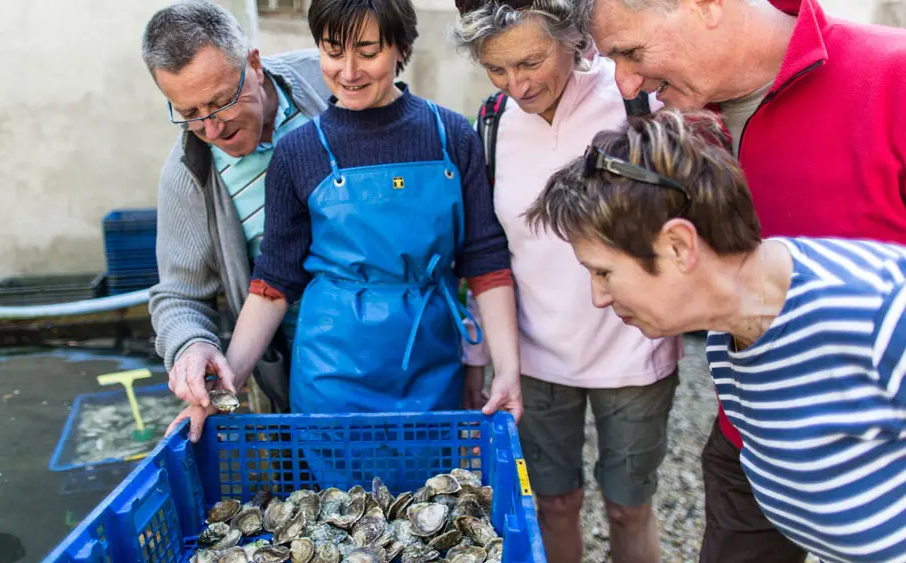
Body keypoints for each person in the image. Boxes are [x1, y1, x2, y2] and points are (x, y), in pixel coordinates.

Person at [573, 0, 906, 560]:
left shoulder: (893, 80)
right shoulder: (676, 121)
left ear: (705, 6)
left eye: (631, 53)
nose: (627, 83)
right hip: (747, 429)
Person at [167, 0, 524, 452]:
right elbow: (273, 282)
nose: (349, 71)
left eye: (368, 51)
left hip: (432, 359)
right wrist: (225, 382)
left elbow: (486, 262)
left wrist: (508, 371)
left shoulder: (452, 136)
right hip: (331, 374)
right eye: (333, 52)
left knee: (434, 499)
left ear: (400, 47)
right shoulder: (298, 152)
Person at [448, 1, 681, 561]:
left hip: (634, 348)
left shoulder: (635, 97)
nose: (517, 85)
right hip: (536, 356)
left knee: (629, 507)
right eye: (496, 68)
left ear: (573, 37)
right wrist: (480, 356)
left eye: (529, 62)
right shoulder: (493, 121)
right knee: (552, 504)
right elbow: (489, 252)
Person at [141, 0, 332, 441]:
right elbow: (178, 296)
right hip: (290, 380)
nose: (211, 129)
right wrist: (192, 345)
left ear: (255, 64)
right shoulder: (188, 175)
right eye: (188, 113)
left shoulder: (330, 82)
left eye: (220, 101)